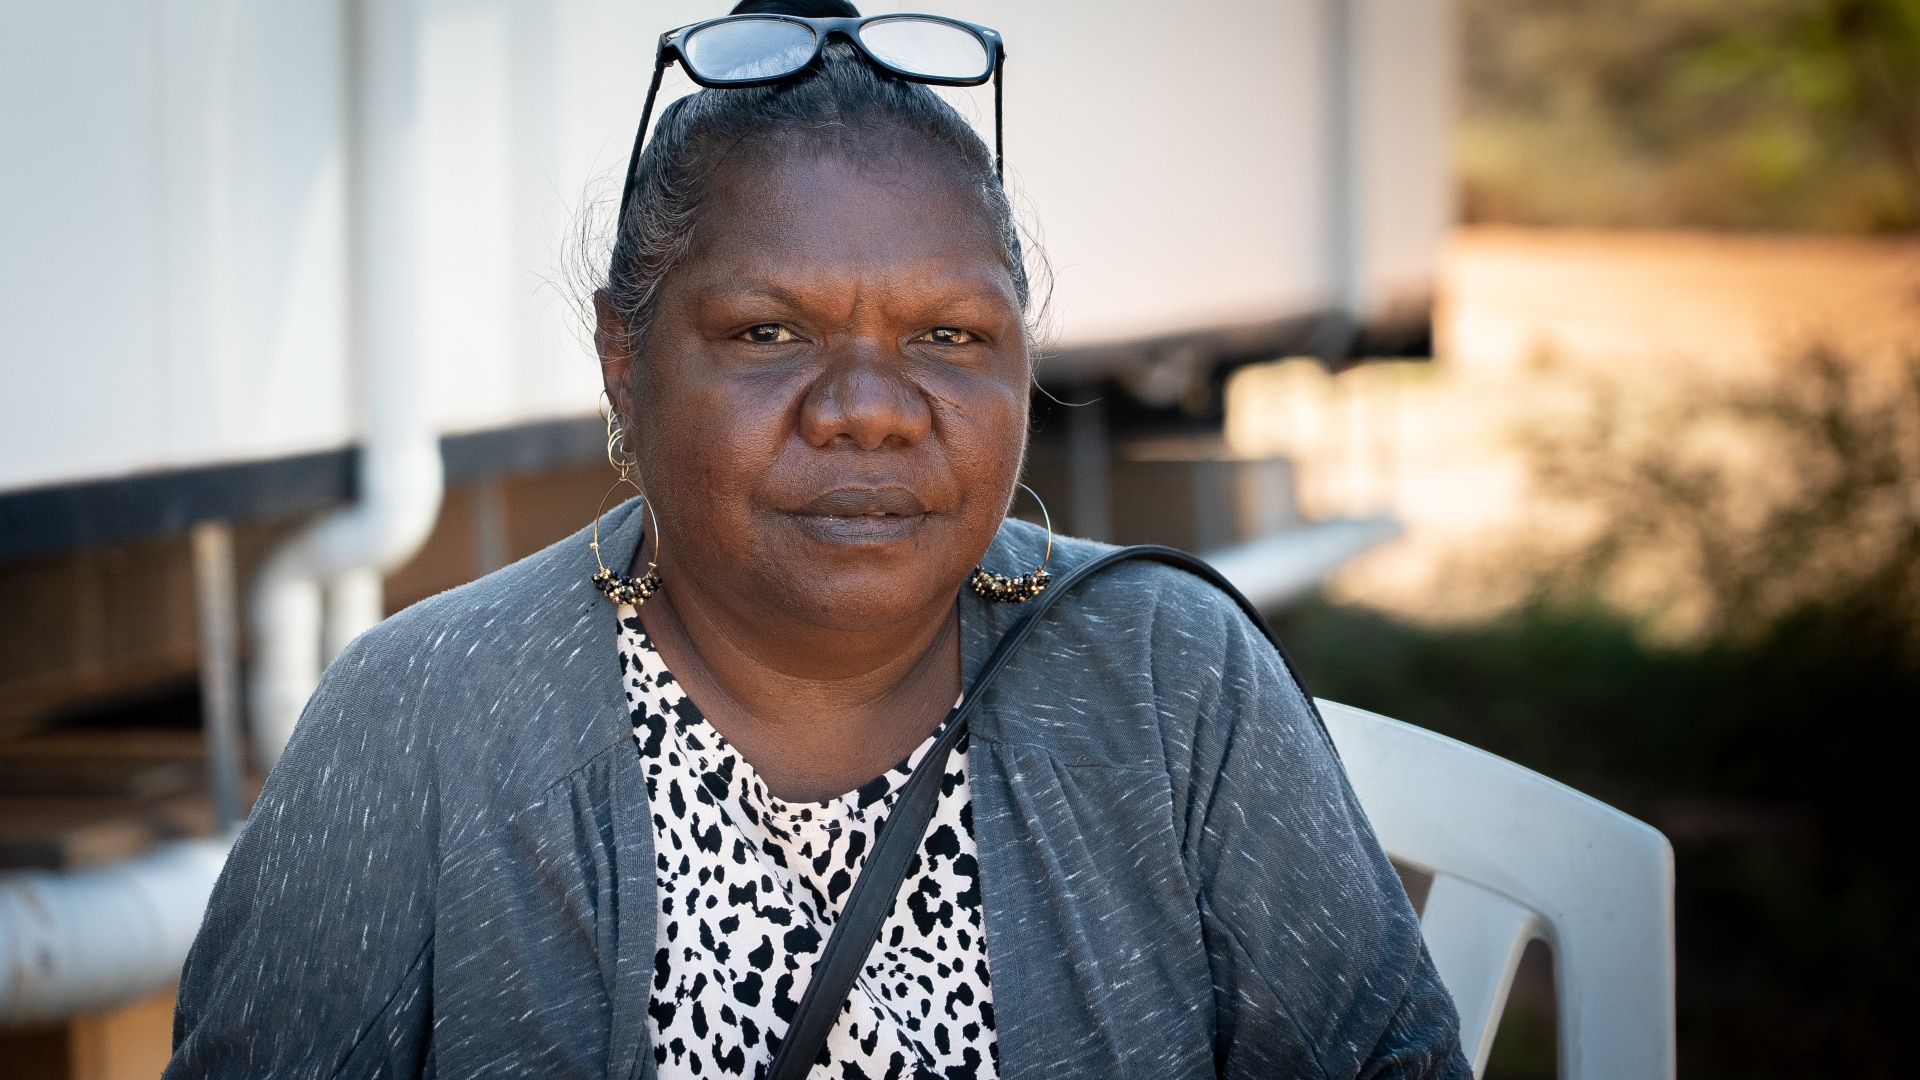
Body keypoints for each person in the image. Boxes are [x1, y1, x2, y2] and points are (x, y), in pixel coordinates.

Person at [166, 2, 1469, 1076]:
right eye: (769, 333)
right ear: (624, 357)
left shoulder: (1166, 674)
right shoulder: (423, 718)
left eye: (948, 335)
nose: (868, 410)